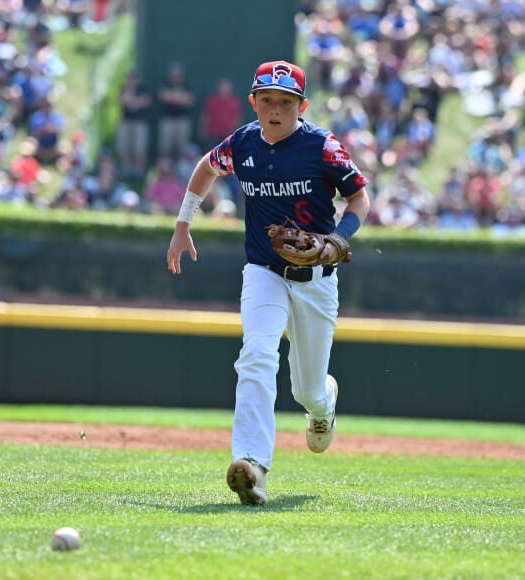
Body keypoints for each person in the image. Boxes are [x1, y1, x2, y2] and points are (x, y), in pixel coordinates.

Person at [166, 60, 370, 506]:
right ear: (253, 102)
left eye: (285, 101)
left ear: (302, 105)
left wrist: (339, 237)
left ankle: (323, 406)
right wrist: (184, 223)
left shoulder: (322, 147)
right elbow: (207, 166)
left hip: (317, 279)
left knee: (306, 389)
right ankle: (252, 463)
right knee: (256, 353)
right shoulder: (242, 143)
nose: (275, 109)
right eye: (266, 100)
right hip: (262, 271)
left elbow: (358, 196)